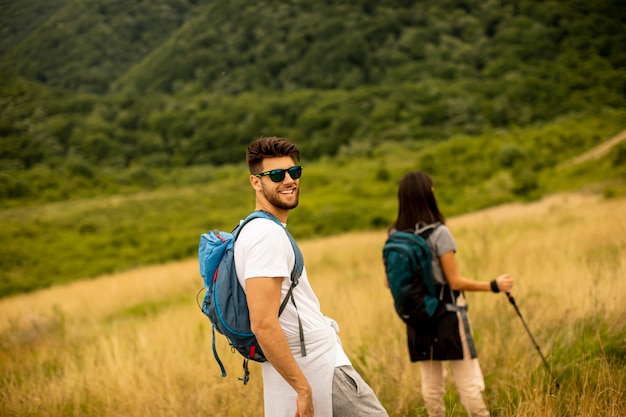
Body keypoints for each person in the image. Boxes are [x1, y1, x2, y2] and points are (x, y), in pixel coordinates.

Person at [234, 136, 389, 417]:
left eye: (294, 172)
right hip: (317, 368)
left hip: (304, 365)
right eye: (277, 175)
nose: (289, 180)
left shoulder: (257, 230)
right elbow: (263, 323)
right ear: (256, 182)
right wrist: (303, 389)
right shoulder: (265, 235)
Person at [385, 171, 514, 417]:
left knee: (432, 385)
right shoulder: (439, 233)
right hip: (448, 315)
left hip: (417, 317)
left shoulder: (393, 235)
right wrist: (493, 285)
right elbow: (454, 282)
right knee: (469, 382)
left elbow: (387, 282)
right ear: (427, 195)